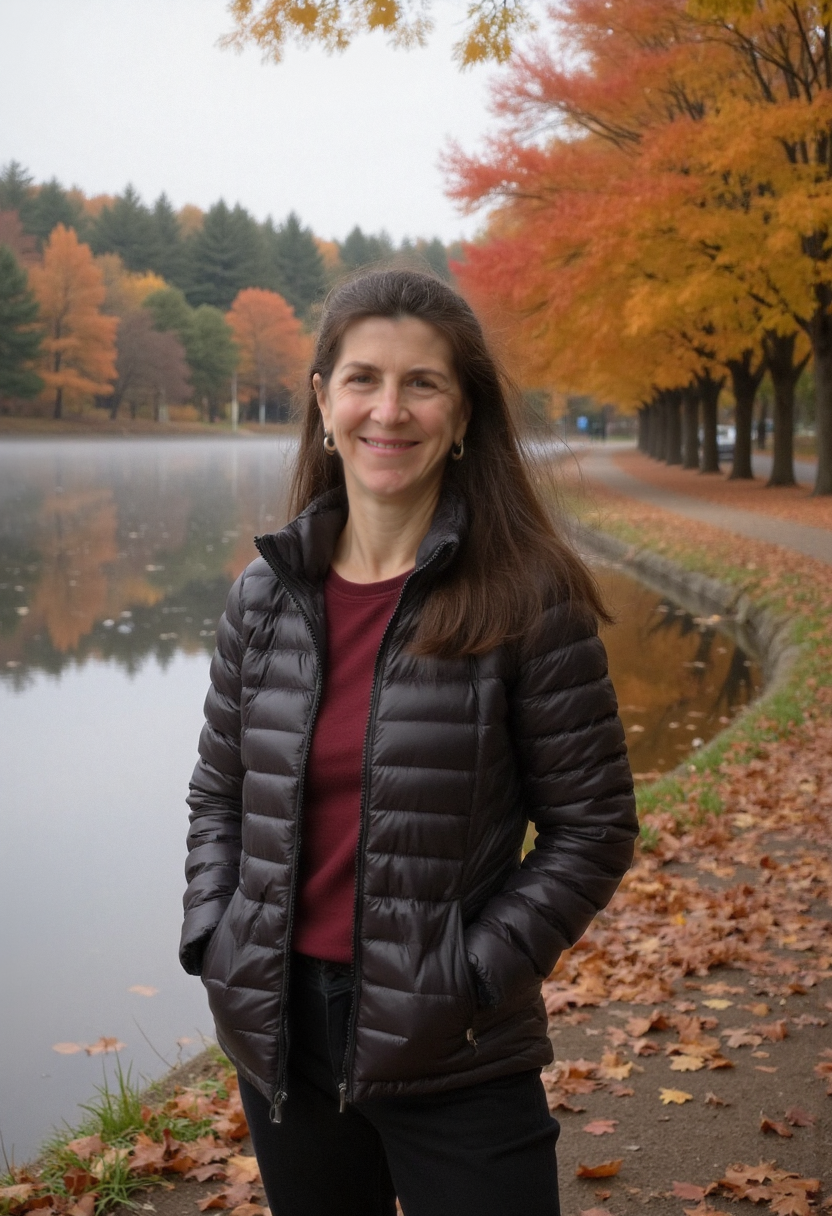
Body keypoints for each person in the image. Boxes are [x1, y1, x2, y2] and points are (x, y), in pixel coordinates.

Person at [180, 269, 638, 1216]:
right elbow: (217, 797)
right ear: (322, 400)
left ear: (464, 413)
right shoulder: (263, 601)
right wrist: (213, 934)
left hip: (456, 1051)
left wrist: (469, 977)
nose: (389, 410)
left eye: (422, 383)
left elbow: (593, 829)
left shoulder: (529, 596)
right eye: (362, 379)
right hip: (280, 1037)